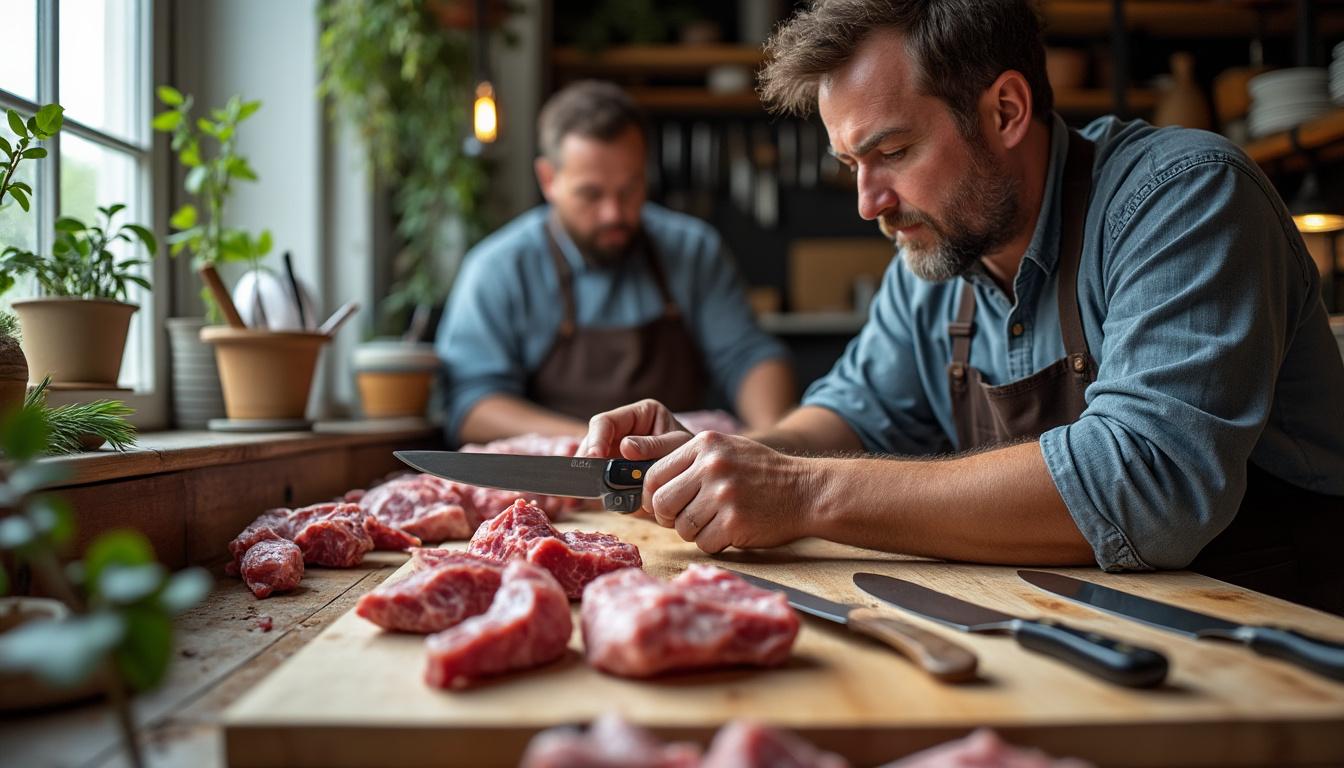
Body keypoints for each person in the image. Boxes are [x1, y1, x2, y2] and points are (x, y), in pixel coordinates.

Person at [577, 0, 1344, 614]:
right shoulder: (936, 258)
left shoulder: (1182, 198)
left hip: (1280, 653)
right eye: (850, 164)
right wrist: (717, 466)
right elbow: (850, 413)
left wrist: (798, 491)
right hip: (1092, 632)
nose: (868, 203)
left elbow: (1146, 484)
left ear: (1006, 110)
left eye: (892, 153)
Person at [437, 81, 796, 446]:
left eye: (629, 189)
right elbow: (472, 407)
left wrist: (769, 442)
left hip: (677, 470)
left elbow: (748, 356)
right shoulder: (498, 269)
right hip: (557, 470)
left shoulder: (692, 250)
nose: (614, 213)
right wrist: (599, 443)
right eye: (591, 194)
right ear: (548, 179)